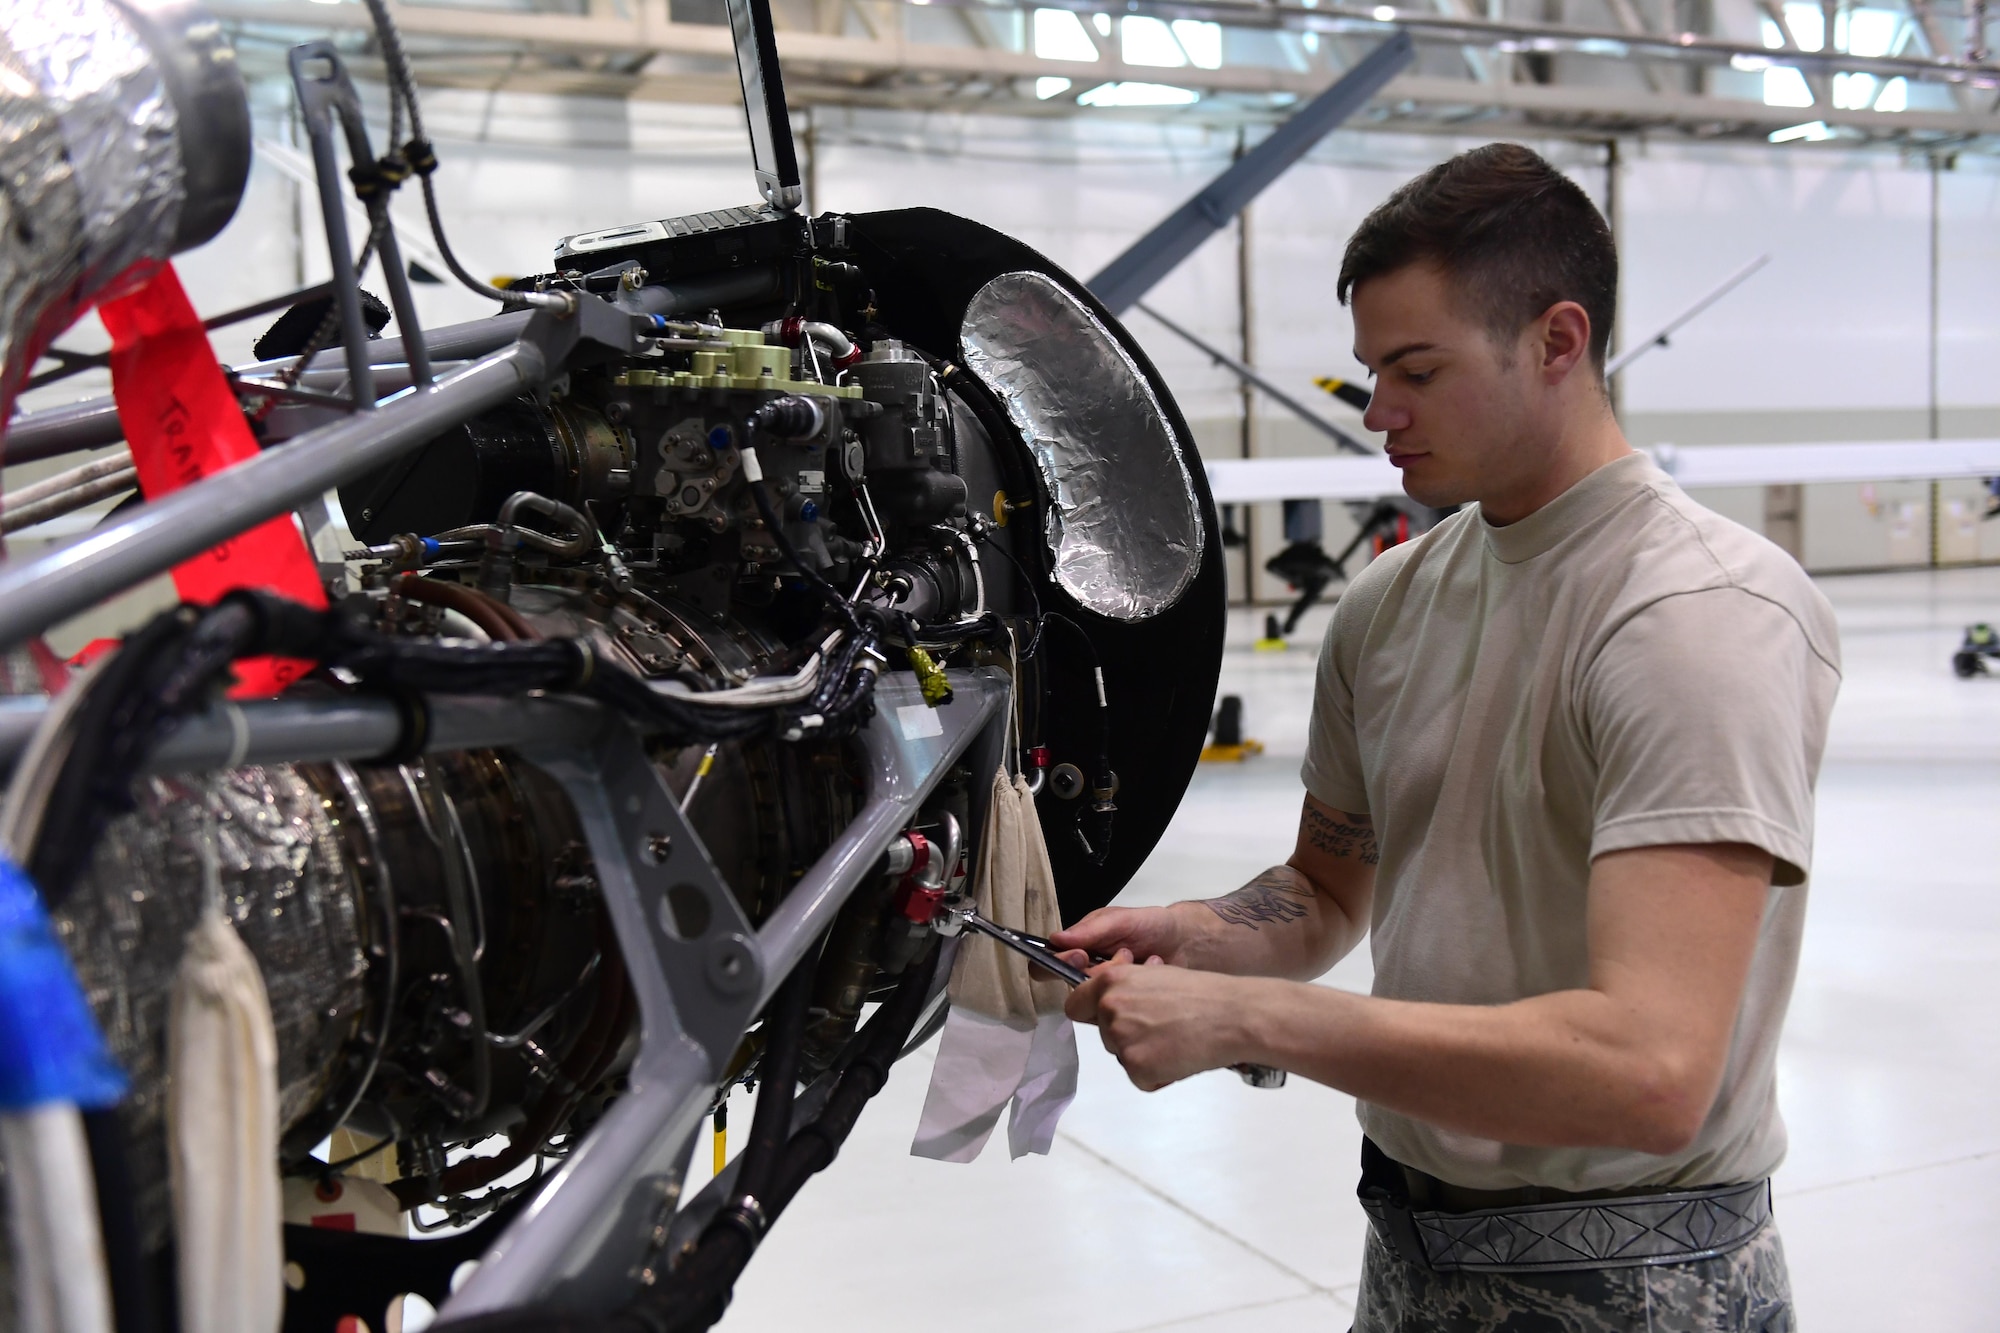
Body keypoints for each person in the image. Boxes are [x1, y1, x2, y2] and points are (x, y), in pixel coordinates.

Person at [1052, 143, 1839, 1332]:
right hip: (1412, 1256)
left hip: (1638, 1285)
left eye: (1416, 370)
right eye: (1370, 372)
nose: (1377, 414)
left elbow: (1649, 1070)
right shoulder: (1390, 602)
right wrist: (1195, 938)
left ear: (1557, 342)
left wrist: (1251, 1023)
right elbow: (1324, 893)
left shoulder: (1694, 617)